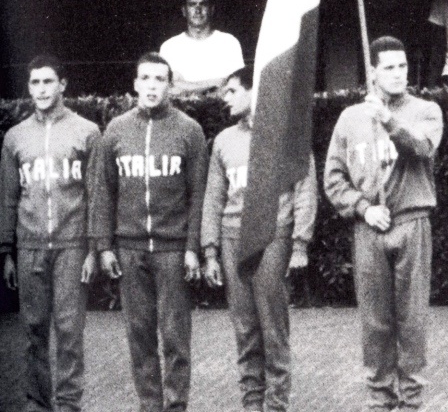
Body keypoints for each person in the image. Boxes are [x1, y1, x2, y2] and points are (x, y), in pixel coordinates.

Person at [324, 36, 443, 412]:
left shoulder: (427, 110)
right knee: (375, 322)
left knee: (412, 321)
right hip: (369, 228)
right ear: (372, 71)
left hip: (411, 222)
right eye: (388, 67)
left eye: (403, 66)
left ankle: (411, 401)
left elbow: (422, 149)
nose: (397, 74)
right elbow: (333, 178)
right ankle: (379, 399)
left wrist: (389, 120)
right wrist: (362, 207)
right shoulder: (350, 118)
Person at [92, 52, 208, 412]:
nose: (152, 86)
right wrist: (104, 246)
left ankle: (176, 406)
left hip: (172, 249)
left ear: (169, 86)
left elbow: (198, 195)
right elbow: (103, 190)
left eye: (160, 79)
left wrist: (192, 247)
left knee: (175, 336)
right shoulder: (116, 130)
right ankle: (149, 405)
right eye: (146, 78)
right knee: (139, 335)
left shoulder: (189, 130)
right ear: (135, 84)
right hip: (129, 248)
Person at [201, 66, 318, 412]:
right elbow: (214, 197)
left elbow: (304, 190)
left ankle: (276, 404)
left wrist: (300, 243)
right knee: (244, 328)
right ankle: (252, 404)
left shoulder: (287, 134)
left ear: (255, 92)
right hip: (232, 240)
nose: (226, 99)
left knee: (273, 328)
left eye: (232, 91)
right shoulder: (223, 140)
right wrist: (210, 250)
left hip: (271, 239)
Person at [0, 55, 100, 412]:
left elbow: (95, 194)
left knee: (70, 330)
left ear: (63, 85)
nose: (40, 89)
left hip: (72, 245)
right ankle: (37, 401)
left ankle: (69, 402)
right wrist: (6, 250)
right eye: (34, 83)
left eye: (47, 82)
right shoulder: (15, 137)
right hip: (29, 246)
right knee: (33, 329)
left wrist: (94, 247)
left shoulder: (86, 131)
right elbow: (9, 197)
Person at [160, 0, 244, 96]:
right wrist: (216, 82)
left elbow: (235, 86)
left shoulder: (229, 42)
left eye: (203, 4)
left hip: (220, 111)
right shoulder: (169, 47)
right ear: (184, 11)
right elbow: (168, 89)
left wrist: (184, 85)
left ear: (212, 9)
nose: (198, 9)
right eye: (192, 4)